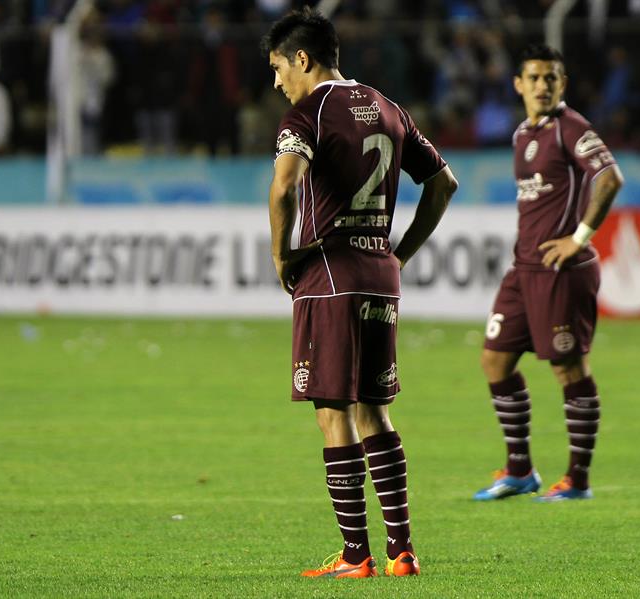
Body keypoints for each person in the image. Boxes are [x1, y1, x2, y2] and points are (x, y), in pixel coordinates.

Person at [261, 7, 458, 578]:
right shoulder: (388, 107)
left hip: (329, 274)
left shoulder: (307, 112)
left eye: (278, 67)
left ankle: (356, 555)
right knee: (376, 410)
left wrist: (281, 256)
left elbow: (284, 187)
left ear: (303, 58)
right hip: (380, 273)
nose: (276, 82)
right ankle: (402, 551)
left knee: (333, 413)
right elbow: (443, 182)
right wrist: (400, 254)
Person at [473, 44, 623, 503]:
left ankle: (577, 479)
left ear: (563, 85)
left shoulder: (570, 128)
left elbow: (610, 177)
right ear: (518, 84)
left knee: (568, 367)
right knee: (495, 360)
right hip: (525, 269)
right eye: (534, 78)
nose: (542, 86)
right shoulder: (523, 133)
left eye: (551, 78)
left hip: (562, 269)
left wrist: (578, 238)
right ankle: (520, 469)